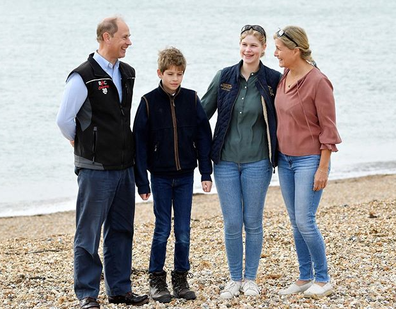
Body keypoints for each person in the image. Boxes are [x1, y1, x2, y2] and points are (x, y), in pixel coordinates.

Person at [56, 16, 149, 308]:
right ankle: (87, 293)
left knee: (121, 230)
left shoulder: (128, 73)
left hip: (124, 167)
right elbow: (64, 120)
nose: (129, 42)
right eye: (124, 36)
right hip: (95, 169)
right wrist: (80, 142)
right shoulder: (82, 76)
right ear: (106, 38)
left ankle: (119, 289)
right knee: (89, 233)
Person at [201, 25, 281, 298]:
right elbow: (201, 114)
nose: (248, 50)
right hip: (224, 162)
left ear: (263, 49)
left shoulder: (273, 80)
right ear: (240, 46)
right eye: (244, 45)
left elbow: (288, 113)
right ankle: (234, 278)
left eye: (254, 46)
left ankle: (250, 279)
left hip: (258, 162)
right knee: (233, 222)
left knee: (253, 221)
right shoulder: (224, 77)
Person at [133, 47, 213, 303]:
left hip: (186, 175)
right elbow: (139, 144)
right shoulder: (148, 102)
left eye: (179, 74)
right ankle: (157, 279)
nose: (175, 79)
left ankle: (180, 277)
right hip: (159, 176)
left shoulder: (191, 99)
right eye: (170, 74)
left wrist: (206, 171)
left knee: (183, 230)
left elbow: (203, 134)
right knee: (162, 228)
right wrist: (141, 181)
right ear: (160, 73)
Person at [273, 26, 342, 298]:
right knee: (295, 221)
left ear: (295, 50)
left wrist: (323, 167)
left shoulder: (318, 81)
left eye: (279, 48)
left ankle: (323, 278)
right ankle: (304, 277)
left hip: (309, 160)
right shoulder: (285, 76)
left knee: (305, 219)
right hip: (285, 160)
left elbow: (329, 129)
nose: (275, 53)